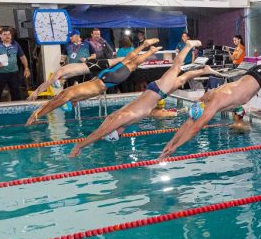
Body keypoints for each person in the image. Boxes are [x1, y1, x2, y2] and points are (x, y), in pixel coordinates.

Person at [68, 40, 211, 157]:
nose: (121, 133)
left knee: (176, 67)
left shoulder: (122, 118)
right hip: (154, 91)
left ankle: (188, 45)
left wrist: (80, 146)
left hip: (157, 91)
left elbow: (100, 132)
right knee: (181, 79)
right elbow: (104, 126)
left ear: (116, 130)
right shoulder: (116, 117)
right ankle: (203, 70)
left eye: (118, 134)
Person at [26, 40, 161, 125]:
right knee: (126, 61)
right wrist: (37, 111)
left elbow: (53, 104)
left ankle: (149, 50)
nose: (73, 105)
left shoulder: (70, 94)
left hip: (105, 80)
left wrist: (37, 114)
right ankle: (145, 46)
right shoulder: (72, 93)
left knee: (131, 64)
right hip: (100, 76)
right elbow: (52, 102)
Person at [0, 28, 30, 102]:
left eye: (9, 34)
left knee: (16, 94)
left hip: (13, 73)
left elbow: (22, 57)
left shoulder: (15, 44)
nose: (7, 36)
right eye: (5, 34)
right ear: (0, 35)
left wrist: (26, 68)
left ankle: (17, 110)